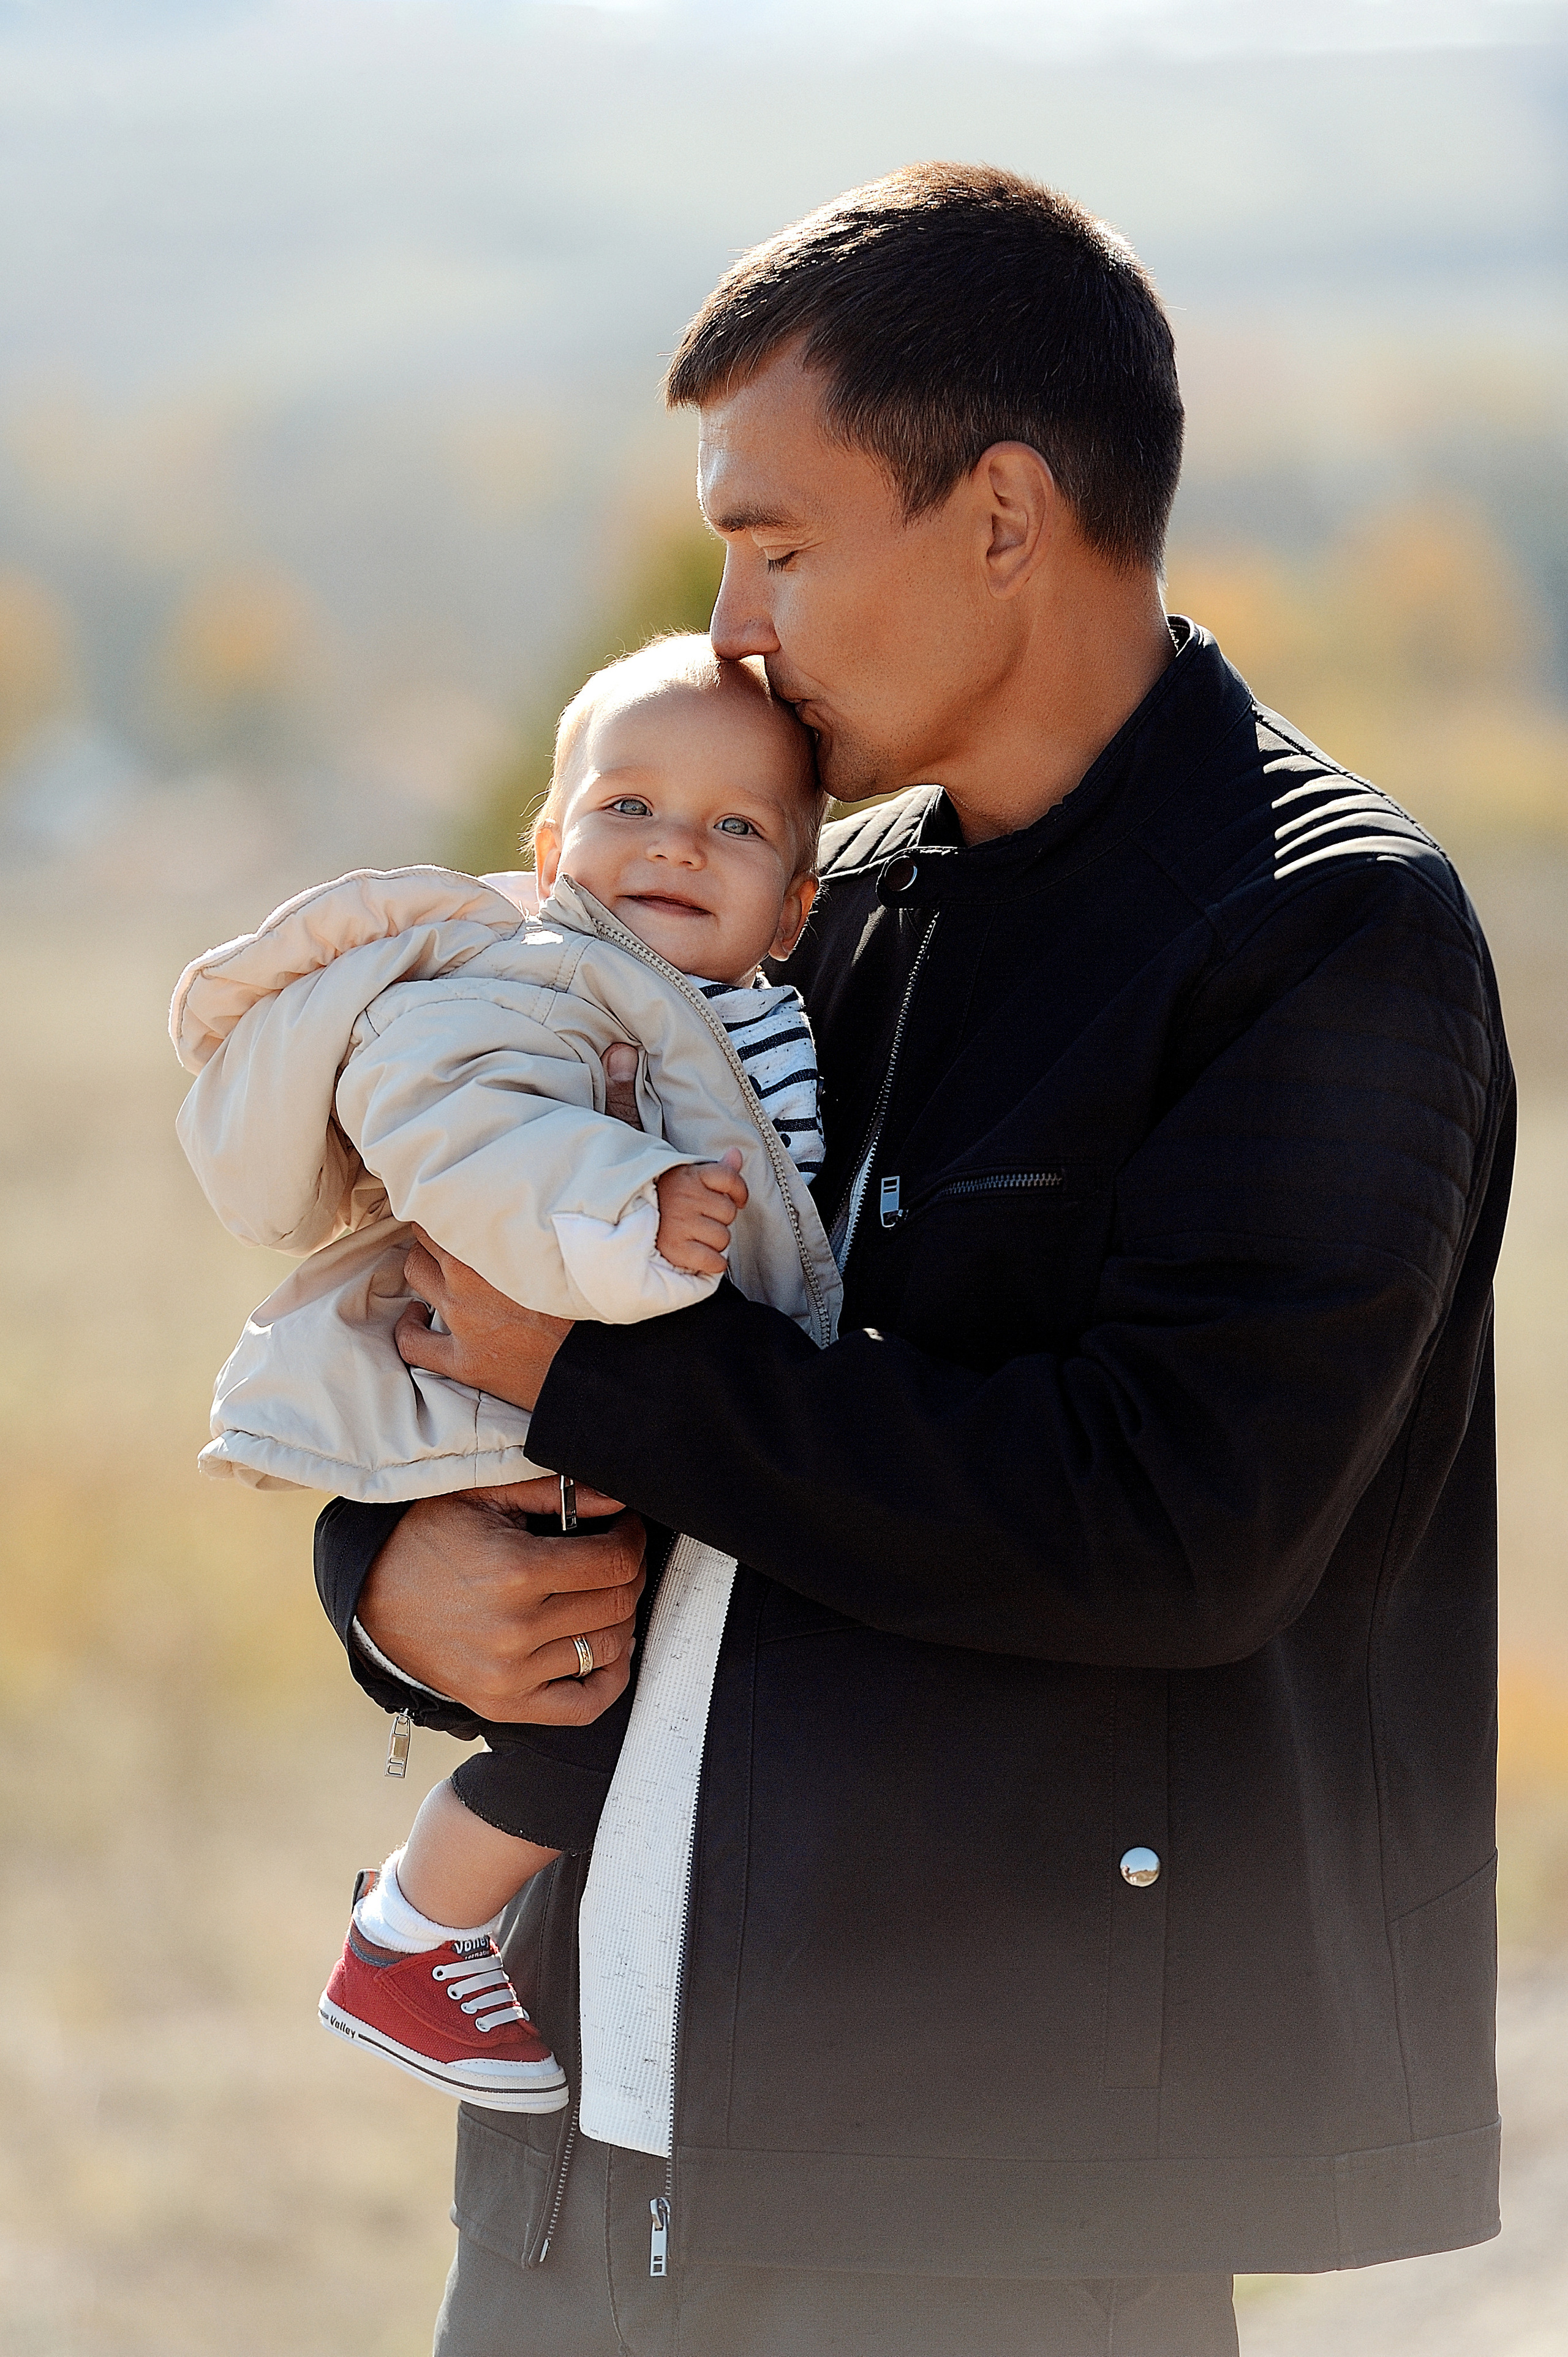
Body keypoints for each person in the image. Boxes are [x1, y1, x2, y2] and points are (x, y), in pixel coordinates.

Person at [317, 164, 1513, 2357]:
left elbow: (1175, 1534)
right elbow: (515, 1307)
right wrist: (388, 1585)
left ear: (1001, 513)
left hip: (994, 2218)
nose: (735, 615)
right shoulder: (782, 912)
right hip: (582, 2168)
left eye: (777, 538)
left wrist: (599, 1389)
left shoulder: (1326, 934)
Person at [171, 638, 837, 2113]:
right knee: (578, 1723)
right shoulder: (531, 980)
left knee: (605, 1709)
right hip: (519, 1417)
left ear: (796, 904)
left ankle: (420, 1930)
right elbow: (462, 1143)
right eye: (627, 807)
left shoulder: (749, 1004)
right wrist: (622, 1213)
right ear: (547, 850)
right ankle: (406, 1936)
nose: (675, 842)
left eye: (735, 827)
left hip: (655, 1421)